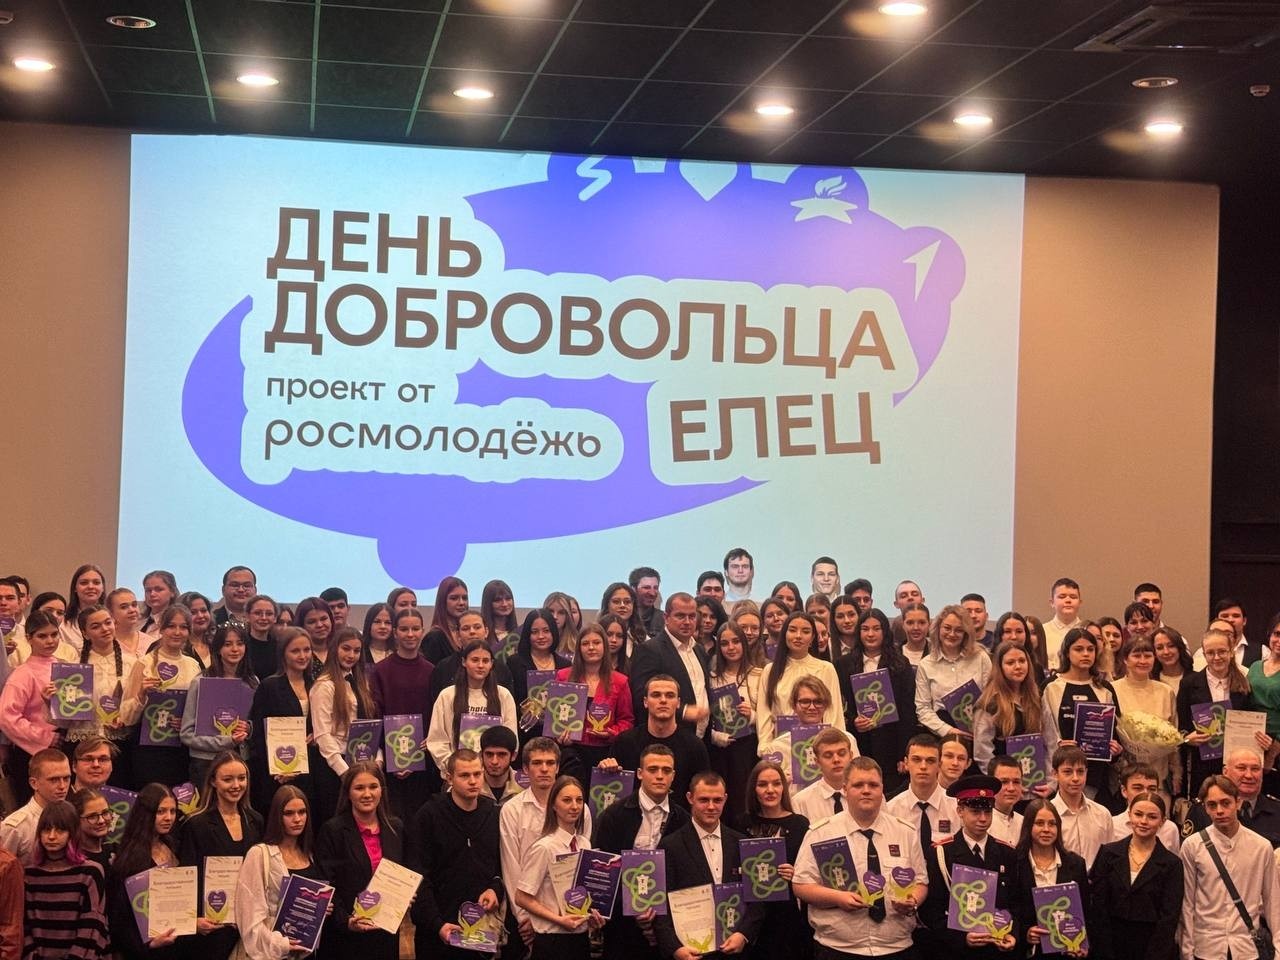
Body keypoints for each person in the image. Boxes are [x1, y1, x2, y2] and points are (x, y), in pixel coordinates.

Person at [793, 755, 927, 960]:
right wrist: (838, 898)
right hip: (838, 948)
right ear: (845, 790)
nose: (866, 790)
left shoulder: (905, 832)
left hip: (896, 947)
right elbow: (801, 885)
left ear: (882, 789)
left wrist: (912, 900)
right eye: (858, 785)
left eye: (873, 785)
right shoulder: (821, 833)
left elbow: (921, 882)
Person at [591, 744, 690, 960]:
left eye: (666, 770)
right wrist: (633, 911)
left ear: (673, 776)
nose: (659, 776)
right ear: (639, 773)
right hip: (622, 928)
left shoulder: (683, 820)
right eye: (652, 769)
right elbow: (602, 875)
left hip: (669, 929)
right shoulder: (613, 815)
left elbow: (684, 876)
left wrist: (660, 920)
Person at [407, 749, 506, 960]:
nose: (473, 781)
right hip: (438, 931)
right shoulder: (428, 815)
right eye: (464, 775)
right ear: (449, 777)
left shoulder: (494, 814)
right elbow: (419, 876)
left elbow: (501, 865)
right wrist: (437, 924)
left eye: (477, 774)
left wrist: (495, 888)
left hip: (481, 929)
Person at [653, 771, 762, 959]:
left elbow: (757, 897)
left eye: (717, 800)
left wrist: (744, 934)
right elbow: (659, 903)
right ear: (690, 798)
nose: (711, 806)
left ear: (725, 799)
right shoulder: (670, 846)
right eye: (704, 800)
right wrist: (675, 949)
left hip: (736, 950)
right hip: (690, 952)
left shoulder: (742, 843)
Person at [499, 739, 593, 953]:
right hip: (531, 915)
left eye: (550, 763)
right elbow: (510, 864)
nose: (544, 769)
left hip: (572, 916)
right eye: (537, 763)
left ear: (558, 767)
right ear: (525, 769)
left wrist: (586, 911)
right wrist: (525, 918)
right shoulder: (512, 809)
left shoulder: (581, 809)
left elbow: (582, 866)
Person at [918, 774, 1021, 958]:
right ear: (960, 811)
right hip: (956, 951)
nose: (983, 819)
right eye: (975, 812)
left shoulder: (1007, 853)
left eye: (988, 812)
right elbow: (931, 910)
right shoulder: (941, 853)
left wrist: (1013, 934)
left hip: (997, 949)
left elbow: (1016, 903)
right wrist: (961, 938)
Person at [1179, 774, 1280, 960]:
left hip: (1246, 947)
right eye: (1212, 805)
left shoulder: (1261, 847)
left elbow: (1273, 902)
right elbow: (1187, 903)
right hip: (1206, 947)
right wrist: (1187, 951)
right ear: (1205, 808)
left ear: (1238, 802)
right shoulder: (1192, 846)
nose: (1219, 811)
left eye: (1226, 803)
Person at [178, 752, 263, 960]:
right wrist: (194, 920)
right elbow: (188, 876)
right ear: (213, 782)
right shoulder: (196, 824)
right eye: (227, 779)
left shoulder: (256, 820)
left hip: (248, 925)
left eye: (241, 778)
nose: (236, 785)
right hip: (211, 928)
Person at [315, 762, 403, 960]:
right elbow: (326, 883)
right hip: (346, 937)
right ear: (348, 793)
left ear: (382, 790)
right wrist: (346, 921)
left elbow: (404, 874)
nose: (367, 794)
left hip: (385, 933)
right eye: (359, 788)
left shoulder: (396, 828)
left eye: (373, 786)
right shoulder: (332, 831)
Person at [515, 775, 602, 960]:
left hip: (580, 939)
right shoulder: (544, 847)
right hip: (552, 941)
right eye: (567, 800)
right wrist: (559, 920)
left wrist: (592, 915)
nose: (574, 806)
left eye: (579, 800)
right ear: (553, 805)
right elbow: (521, 897)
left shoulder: (584, 844)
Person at [234, 786, 325, 960]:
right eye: (289, 813)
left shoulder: (309, 854)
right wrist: (280, 945)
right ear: (277, 816)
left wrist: (320, 907)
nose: (297, 819)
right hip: (269, 954)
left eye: (302, 812)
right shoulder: (260, 854)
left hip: (305, 952)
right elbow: (248, 916)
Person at [1089, 791, 1182, 960]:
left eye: (1152, 817)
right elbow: (1098, 907)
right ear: (1130, 815)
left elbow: (1169, 918)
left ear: (1162, 821)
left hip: (1151, 948)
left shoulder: (1172, 864)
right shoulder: (1108, 853)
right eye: (1138, 814)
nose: (1143, 821)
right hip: (1109, 945)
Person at [835, 607, 917, 796]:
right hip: (859, 743)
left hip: (891, 744)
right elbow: (840, 706)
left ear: (885, 632)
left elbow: (907, 711)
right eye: (865, 629)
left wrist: (903, 753)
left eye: (876, 628)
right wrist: (853, 720)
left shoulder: (900, 663)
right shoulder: (843, 664)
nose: (870, 634)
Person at [734, 759, 810, 960]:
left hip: (787, 914)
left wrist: (795, 873)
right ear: (753, 789)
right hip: (748, 914)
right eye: (762, 784)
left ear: (784, 787)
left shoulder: (800, 824)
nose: (770, 790)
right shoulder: (741, 823)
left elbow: (809, 871)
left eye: (776, 783)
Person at [122, 604, 202, 787]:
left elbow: (198, 711)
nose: (177, 632)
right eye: (171, 626)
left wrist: (187, 722)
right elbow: (126, 716)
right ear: (161, 629)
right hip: (148, 749)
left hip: (181, 749)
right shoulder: (144, 663)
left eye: (183, 627)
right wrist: (141, 694)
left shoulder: (193, 666)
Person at [602, 676, 710, 810]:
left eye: (670, 695)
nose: (663, 700)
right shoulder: (624, 742)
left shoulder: (694, 746)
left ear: (678, 703)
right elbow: (611, 790)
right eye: (656, 695)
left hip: (678, 820)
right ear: (645, 702)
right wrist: (606, 770)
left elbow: (703, 794)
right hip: (633, 819)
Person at [1041, 627, 1122, 805]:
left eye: (1090, 649)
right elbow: (1043, 731)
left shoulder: (1105, 688)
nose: (1085, 654)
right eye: (1079, 649)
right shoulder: (1051, 686)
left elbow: (1115, 734)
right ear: (1067, 652)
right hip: (1059, 775)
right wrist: (1058, 744)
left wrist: (1116, 750)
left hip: (1096, 777)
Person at [22, 799, 110, 960]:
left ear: (72, 833)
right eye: (46, 830)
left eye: (60, 830)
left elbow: (93, 926)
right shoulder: (29, 874)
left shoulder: (90, 872)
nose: (51, 836)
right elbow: (23, 924)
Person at [369, 608, 436, 817]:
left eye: (415, 629)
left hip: (423, 759)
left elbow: (435, 714)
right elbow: (376, 714)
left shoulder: (431, 670)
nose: (410, 634)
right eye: (404, 629)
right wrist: (391, 757)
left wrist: (428, 743)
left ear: (422, 631)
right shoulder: (380, 670)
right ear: (395, 632)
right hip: (390, 762)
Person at [107, 784, 182, 960]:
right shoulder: (130, 858)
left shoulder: (172, 844)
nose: (168, 818)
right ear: (146, 814)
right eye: (161, 811)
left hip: (176, 945)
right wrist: (149, 944)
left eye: (172, 811)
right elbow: (120, 920)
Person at [180, 620, 257, 790]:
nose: (235, 649)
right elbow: (186, 734)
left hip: (241, 759)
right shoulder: (201, 682)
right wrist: (226, 741)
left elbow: (256, 723)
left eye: (240, 644)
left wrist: (249, 728)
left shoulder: (251, 682)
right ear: (218, 648)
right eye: (228, 644)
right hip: (207, 763)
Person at [1008, 798, 1089, 957]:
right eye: (1039, 823)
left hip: (1068, 952)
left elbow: (1086, 911)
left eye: (1052, 824)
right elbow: (1010, 909)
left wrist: (1083, 945)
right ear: (1028, 826)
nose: (1046, 829)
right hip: (1029, 952)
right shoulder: (1014, 863)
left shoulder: (1076, 864)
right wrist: (1025, 933)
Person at [311, 626, 378, 818]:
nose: (351, 655)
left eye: (357, 651)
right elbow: (322, 734)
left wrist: (377, 760)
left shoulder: (360, 682)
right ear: (335, 649)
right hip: (334, 767)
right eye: (346, 648)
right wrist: (344, 772)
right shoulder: (325, 686)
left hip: (360, 762)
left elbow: (368, 725)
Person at [248, 628, 316, 814]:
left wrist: (316, 736)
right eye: (295, 651)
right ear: (283, 654)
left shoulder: (317, 685)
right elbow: (259, 735)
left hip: (312, 771)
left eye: (307, 650)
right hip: (278, 775)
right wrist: (277, 768)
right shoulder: (269, 686)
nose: (302, 656)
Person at [1178, 627, 1252, 797]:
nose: (1217, 657)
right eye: (1210, 653)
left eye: (1222, 651)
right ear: (1204, 655)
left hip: (1235, 764)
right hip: (1202, 764)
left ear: (1231, 652)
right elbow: (1180, 727)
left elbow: (1249, 721)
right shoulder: (1189, 684)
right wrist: (1188, 739)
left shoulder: (1244, 684)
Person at [427, 640, 519, 776]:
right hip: (458, 775)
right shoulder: (447, 695)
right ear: (464, 662)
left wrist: (494, 766)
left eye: (485, 661)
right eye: (475, 660)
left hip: (494, 775)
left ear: (492, 664)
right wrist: (456, 768)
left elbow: (511, 739)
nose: (480, 665)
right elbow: (437, 740)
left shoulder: (503, 695)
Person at [555, 622, 633, 780]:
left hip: (606, 755)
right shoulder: (563, 677)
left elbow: (627, 721)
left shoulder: (620, 681)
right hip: (571, 752)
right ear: (579, 648)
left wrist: (611, 733)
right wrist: (559, 735)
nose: (591, 647)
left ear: (605, 646)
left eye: (596, 643)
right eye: (585, 643)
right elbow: (555, 718)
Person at [0, 612, 62, 802]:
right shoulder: (22, 674)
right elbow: (6, 716)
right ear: (29, 638)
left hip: (62, 745)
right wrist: (44, 737)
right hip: (31, 752)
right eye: (42, 636)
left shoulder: (65, 668)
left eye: (54, 634)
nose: (50, 641)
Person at [629, 593, 711, 737]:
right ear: (666, 618)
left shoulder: (699, 650)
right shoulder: (650, 650)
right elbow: (641, 698)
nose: (687, 622)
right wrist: (684, 711)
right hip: (666, 737)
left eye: (692, 616)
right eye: (680, 616)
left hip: (701, 739)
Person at [757, 611, 845, 744]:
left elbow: (834, 713)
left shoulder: (826, 668)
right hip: (780, 744)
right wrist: (765, 747)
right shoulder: (770, 670)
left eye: (805, 631)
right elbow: (764, 713)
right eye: (792, 630)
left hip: (818, 744)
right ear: (785, 634)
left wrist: (832, 745)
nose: (798, 636)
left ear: (812, 637)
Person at [68, 605, 137, 773]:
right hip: (83, 742)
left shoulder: (133, 662)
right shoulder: (73, 666)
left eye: (108, 623)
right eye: (96, 626)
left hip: (120, 742)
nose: (105, 629)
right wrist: (50, 700)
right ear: (85, 633)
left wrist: (124, 718)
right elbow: (66, 714)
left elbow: (136, 702)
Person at [707, 620, 761, 817]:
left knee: (745, 802)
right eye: (724, 643)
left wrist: (753, 715)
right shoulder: (712, 678)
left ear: (744, 644)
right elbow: (706, 717)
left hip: (749, 747)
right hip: (721, 751)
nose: (731, 647)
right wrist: (714, 736)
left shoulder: (760, 675)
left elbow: (771, 716)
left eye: (736, 641)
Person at [1112, 634, 1179, 790]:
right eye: (1136, 656)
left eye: (1148, 656)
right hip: (1124, 774)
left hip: (1159, 775)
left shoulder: (1165, 691)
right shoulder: (1112, 689)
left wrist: (1176, 773)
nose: (1143, 661)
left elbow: (1174, 737)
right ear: (1125, 659)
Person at [915, 604, 992, 740]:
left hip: (978, 729)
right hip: (942, 732)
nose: (952, 634)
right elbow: (923, 708)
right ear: (938, 628)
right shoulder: (926, 664)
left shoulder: (981, 658)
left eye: (959, 630)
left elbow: (991, 697)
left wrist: (982, 726)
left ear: (966, 633)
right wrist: (948, 730)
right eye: (947, 628)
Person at [1181, 746, 1280, 845]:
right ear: (1225, 772)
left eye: (1255, 769)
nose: (1249, 775)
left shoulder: (1277, 810)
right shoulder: (1201, 810)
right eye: (1241, 768)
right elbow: (1189, 849)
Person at [501, 609, 569, 750]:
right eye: (534, 632)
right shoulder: (514, 663)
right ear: (527, 634)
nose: (541, 636)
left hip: (556, 737)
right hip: (525, 734)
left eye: (546, 631)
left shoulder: (566, 665)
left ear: (553, 632)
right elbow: (508, 700)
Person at [885, 734, 959, 859]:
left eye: (930, 761)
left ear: (939, 765)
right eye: (916, 759)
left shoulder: (957, 808)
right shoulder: (891, 810)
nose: (923, 766)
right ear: (906, 763)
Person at [973, 640, 1044, 770]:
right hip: (1001, 778)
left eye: (1022, 661)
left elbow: (1047, 742)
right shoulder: (988, 705)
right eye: (1010, 663)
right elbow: (982, 753)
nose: (1018, 667)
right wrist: (999, 778)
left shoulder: (1036, 699)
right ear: (999, 668)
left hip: (1034, 775)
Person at [0, 748, 71, 865]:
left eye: (66, 778)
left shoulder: (74, 816)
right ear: (34, 783)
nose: (62, 786)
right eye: (54, 780)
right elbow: (4, 871)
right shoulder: (16, 828)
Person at [1049, 745, 1113, 869]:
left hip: (1096, 880)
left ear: (1086, 773)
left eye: (1080, 771)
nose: (1075, 778)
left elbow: (1109, 857)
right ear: (1055, 774)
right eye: (1068, 772)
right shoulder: (1047, 814)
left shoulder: (1102, 814)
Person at [791, 727, 854, 826]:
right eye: (828, 755)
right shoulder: (800, 802)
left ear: (851, 756)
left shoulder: (866, 794)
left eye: (841, 753)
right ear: (817, 762)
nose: (836, 760)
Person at [1111, 765, 1180, 851]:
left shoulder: (1169, 829)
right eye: (1138, 788)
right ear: (1124, 791)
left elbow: (1173, 859)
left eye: (1152, 789)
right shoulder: (1112, 826)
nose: (1145, 793)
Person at [423, 577, 470, 665]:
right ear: (443, 601)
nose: (461, 603)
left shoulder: (469, 633)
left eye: (464, 598)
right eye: (454, 598)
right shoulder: (434, 638)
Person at [62, 564, 107, 650]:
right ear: (75, 588)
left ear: (103, 588)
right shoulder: (63, 624)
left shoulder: (113, 621)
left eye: (96, 582)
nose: (90, 586)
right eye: (84, 583)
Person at [71, 788, 116, 871]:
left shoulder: (116, 851)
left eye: (105, 813)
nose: (101, 821)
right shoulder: (74, 860)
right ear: (76, 819)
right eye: (92, 816)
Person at [599, 583, 647, 656]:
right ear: (607, 605)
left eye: (627, 602)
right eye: (616, 601)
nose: (622, 605)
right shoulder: (596, 634)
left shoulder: (644, 639)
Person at [477, 725, 522, 803]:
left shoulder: (526, 787)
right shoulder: (469, 785)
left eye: (501, 754)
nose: (494, 761)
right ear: (481, 755)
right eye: (489, 754)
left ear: (513, 756)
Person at [1042, 578, 1083, 663]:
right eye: (1062, 597)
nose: (1068, 600)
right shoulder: (1042, 632)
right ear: (1052, 602)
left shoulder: (1088, 630)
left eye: (1073, 597)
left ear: (1080, 602)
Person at [986, 756, 1024, 844]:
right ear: (990, 784)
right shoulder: (981, 823)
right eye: (1004, 782)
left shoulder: (1024, 822)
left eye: (1016, 782)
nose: (1011, 788)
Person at [244, 594, 281, 681]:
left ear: (275, 618)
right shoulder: (240, 645)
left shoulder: (280, 647)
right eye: (257, 613)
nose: (264, 618)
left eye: (269, 614)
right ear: (247, 616)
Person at [294, 597, 334, 674]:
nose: (319, 625)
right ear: (301, 626)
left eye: (324, 619)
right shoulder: (298, 656)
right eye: (312, 622)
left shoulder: (340, 649)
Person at [480, 580, 519, 660]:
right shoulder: (482, 634)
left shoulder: (518, 633)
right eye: (498, 600)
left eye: (508, 599)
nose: (504, 604)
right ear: (488, 603)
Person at [177, 592, 216, 671]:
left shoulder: (217, 643)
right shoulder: (174, 646)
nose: (200, 616)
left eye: (203, 610)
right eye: (193, 612)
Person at [140, 571, 180, 637]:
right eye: (148, 590)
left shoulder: (178, 622)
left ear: (172, 592)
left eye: (158, 589)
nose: (152, 594)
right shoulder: (138, 621)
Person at [544, 592, 582, 658]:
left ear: (567, 616)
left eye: (561, 612)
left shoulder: (579, 644)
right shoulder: (535, 640)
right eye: (551, 611)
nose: (555, 616)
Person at [630, 567, 664, 639]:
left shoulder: (664, 620)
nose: (652, 593)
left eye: (655, 588)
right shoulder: (625, 617)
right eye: (646, 587)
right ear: (633, 589)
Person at [900, 602, 930, 668]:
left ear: (929, 624)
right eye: (910, 623)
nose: (916, 628)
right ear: (903, 625)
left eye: (922, 622)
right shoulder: (893, 655)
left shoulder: (937, 654)